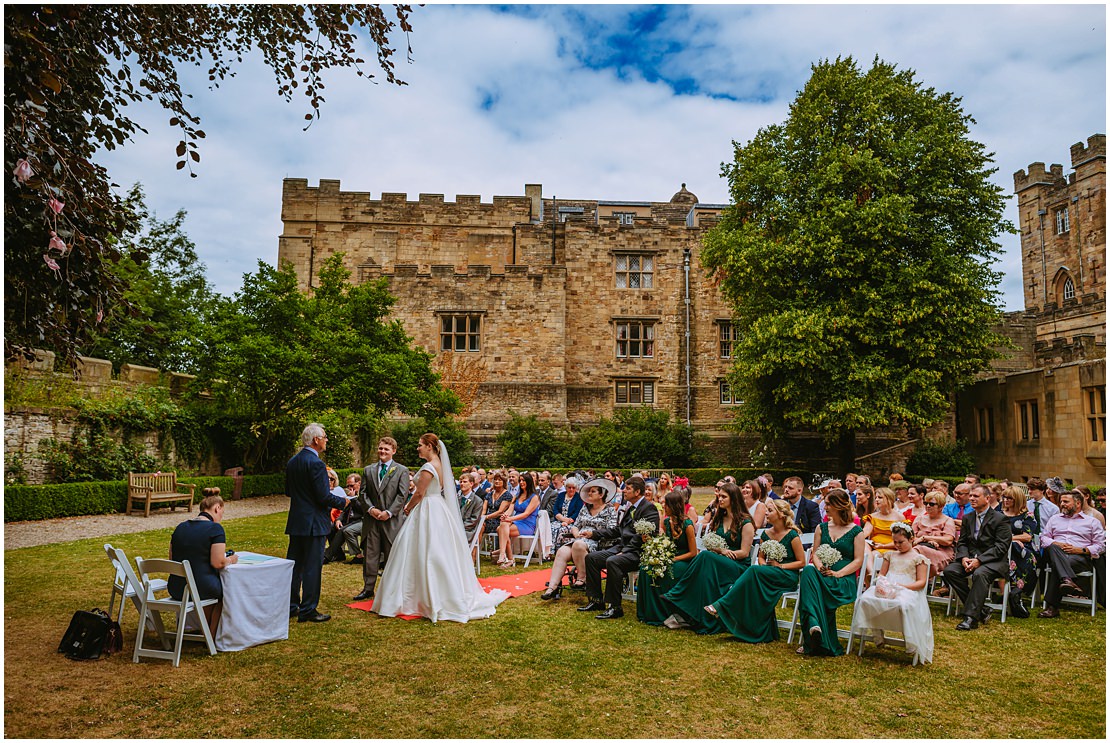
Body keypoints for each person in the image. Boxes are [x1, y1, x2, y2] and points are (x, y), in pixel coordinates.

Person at [373, 433, 510, 622]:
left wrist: (408, 507)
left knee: (424, 549)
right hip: (438, 508)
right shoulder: (441, 465)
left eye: (420, 445)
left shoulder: (429, 467)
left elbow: (420, 493)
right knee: (436, 550)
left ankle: (421, 596)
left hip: (427, 507)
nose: (418, 448)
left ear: (430, 446)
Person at [706, 499, 805, 643]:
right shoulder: (766, 534)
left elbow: (801, 562)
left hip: (787, 575)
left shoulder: (792, 535)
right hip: (768, 573)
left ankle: (722, 605)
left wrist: (780, 566)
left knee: (753, 571)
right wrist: (765, 565)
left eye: (770, 511)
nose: (766, 513)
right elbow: (761, 557)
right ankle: (754, 628)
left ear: (781, 515)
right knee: (755, 574)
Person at [661, 482, 754, 634]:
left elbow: (744, 552)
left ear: (734, 498)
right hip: (717, 562)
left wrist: (724, 552)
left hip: (737, 566)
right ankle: (695, 616)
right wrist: (717, 549)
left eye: (724, 496)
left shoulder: (745, 522)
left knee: (704, 556)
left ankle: (678, 593)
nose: (720, 499)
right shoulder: (719, 518)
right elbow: (713, 544)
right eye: (719, 496)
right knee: (706, 564)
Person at [285, 423, 352, 623]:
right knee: (313, 566)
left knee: (295, 566)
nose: (326, 440)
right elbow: (323, 496)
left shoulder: (292, 462)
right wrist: (344, 501)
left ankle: (291, 605)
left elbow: (289, 492)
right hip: (314, 523)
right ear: (316, 440)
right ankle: (308, 609)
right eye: (324, 437)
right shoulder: (316, 464)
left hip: (297, 521)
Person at [849, 521, 933, 665]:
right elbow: (882, 575)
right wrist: (881, 584)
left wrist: (903, 586)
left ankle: (910, 638)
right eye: (895, 542)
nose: (897, 545)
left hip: (908, 589)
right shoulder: (890, 555)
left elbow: (921, 582)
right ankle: (877, 633)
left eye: (901, 542)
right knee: (865, 599)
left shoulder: (919, 558)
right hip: (887, 587)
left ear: (911, 539)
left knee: (902, 604)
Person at [795, 490, 865, 656]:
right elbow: (816, 554)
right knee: (808, 570)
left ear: (838, 506)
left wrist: (838, 573)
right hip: (821, 574)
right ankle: (814, 627)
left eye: (827, 504)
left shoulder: (856, 531)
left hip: (843, 580)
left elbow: (858, 560)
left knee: (811, 586)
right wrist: (821, 569)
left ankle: (812, 631)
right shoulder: (822, 527)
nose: (824, 507)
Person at [579, 476, 659, 619]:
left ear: (637, 492)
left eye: (628, 488)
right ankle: (596, 600)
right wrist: (593, 534)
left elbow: (645, 535)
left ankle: (615, 607)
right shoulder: (630, 508)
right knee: (591, 558)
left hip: (637, 552)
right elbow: (618, 531)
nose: (623, 491)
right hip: (621, 548)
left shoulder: (649, 508)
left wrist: (625, 551)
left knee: (613, 561)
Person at [168, 488, 238, 636]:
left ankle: (202, 629)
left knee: (206, 586)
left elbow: (172, 558)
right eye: (222, 512)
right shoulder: (215, 529)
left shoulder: (180, 527)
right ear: (217, 508)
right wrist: (231, 559)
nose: (221, 517)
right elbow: (218, 563)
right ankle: (210, 637)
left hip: (176, 587)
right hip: (200, 588)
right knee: (223, 592)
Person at [942, 484, 1012, 630]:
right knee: (950, 571)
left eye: (975, 496)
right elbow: (962, 542)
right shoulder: (968, 518)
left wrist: (980, 560)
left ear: (987, 498)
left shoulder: (1001, 519)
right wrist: (963, 558)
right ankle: (982, 610)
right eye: (971, 496)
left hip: (994, 561)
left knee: (980, 574)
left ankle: (971, 618)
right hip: (970, 559)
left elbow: (1001, 547)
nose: (971, 498)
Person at [353, 437, 412, 602]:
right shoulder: (368, 470)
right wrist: (371, 509)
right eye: (380, 448)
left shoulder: (401, 470)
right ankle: (368, 588)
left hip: (391, 521)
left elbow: (402, 495)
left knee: (392, 556)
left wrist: (389, 512)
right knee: (370, 556)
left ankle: (393, 590)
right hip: (372, 521)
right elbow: (363, 493)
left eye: (386, 449)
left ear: (393, 451)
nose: (382, 452)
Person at [541, 478, 618, 599]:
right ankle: (552, 587)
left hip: (598, 542)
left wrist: (592, 534)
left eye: (593, 491)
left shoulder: (610, 510)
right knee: (561, 551)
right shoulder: (585, 508)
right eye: (589, 491)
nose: (589, 493)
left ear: (601, 494)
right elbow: (576, 525)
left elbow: (612, 530)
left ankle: (582, 578)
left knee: (578, 545)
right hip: (579, 540)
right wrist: (576, 533)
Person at [1038, 490, 1106, 618]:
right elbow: (1044, 538)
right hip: (1055, 553)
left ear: (1078, 503)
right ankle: (1066, 580)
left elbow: (1100, 546)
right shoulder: (1054, 519)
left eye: (1066, 502)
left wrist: (1080, 550)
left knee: (1057, 564)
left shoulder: (1092, 522)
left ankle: (1053, 606)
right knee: (1053, 547)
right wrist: (1057, 544)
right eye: (1061, 501)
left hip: (1080, 557)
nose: (1062, 504)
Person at [637, 490, 698, 625]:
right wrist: (650, 542)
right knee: (646, 568)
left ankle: (666, 612)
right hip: (669, 557)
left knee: (664, 572)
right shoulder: (665, 522)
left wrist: (674, 559)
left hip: (685, 561)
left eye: (666, 504)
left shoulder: (687, 525)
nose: (663, 507)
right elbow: (663, 542)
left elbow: (693, 552)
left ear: (674, 506)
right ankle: (649, 612)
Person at [1001, 485, 1038, 617]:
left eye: (1009, 498)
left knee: (1018, 550)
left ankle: (1016, 591)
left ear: (1017, 499)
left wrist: (1010, 539)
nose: (1005, 500)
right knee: (1010, 549)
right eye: (1004, 497)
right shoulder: (998, 513)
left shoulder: (1027, 515)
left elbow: (1027, 536)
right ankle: (1011, 594)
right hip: (1001, 547)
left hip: (1023, 548)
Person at [493, 472, 540, 567]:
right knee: (502, 526)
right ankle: (505, 556)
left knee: (501, 529)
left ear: (529, 482)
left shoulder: (535, 497)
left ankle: (506, 556)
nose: (521, 482)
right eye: (520, 480)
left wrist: (509, 519)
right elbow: (510, 510)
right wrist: (505, 516)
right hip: (516, 521)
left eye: (523, 480)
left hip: (527, 524)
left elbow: (526, 514)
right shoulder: (517, 496)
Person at [910, 492, 957, 577]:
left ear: (941, 506)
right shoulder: (919, 518)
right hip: (919, 548)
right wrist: (924, 541)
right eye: (925, 503)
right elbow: (911, 538)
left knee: (918, 550)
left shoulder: (947, 520)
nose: (928, 506)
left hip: (941, 552)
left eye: (931, 504)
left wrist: (925, 538)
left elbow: (948, 540)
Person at [325, 473, 365, 564]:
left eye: (352, 485)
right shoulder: (351, 494)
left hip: (360, 520)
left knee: (343, 530)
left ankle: (327, 556)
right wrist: (338, 519)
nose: (350, 488)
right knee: (331, 528)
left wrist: (353, 498)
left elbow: (363, 510)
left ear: (359, 483)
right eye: (348, 486)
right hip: (349, 520)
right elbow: (344, 510)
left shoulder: (364, 493)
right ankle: (339, 554)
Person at [863, 488, 900, 555]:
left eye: (880, 497)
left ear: (889, 499)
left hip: (892, 548)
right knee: (864, 544)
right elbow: (865, 532)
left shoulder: (899, 517)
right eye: (876, 497)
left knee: (875, 554)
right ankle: (870, 565)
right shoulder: (872, 517)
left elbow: (902, 539)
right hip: (874, 546)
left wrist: (883, 546)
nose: (876, 500)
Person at [458, 472, 487, 550]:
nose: (462, 484)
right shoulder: (456, 498)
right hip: (454, 529)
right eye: (460, 482)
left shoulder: (478, 501)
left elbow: (473, 520)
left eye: (464, 482)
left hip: (467, 531)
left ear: (471, 484)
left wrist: (458, 528)